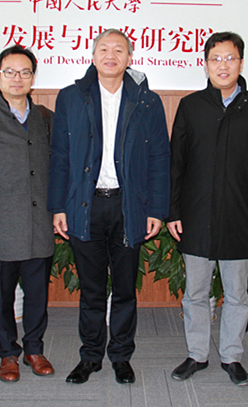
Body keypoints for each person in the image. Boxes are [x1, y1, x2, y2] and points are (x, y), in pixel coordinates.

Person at [48, 29, 170, 385]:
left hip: (128, 207)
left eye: (119, 50)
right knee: (91, 289)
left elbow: (159, 158)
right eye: (104, 49)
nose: (111, 55)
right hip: (84, 206)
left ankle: (120, 356)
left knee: (125, 289)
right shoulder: (71, 97)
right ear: (93, 55)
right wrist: (58, 207)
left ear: (130, 58)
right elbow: (59, 156)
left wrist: (156, 210)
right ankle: (90, 356)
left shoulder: (147, 101)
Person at [168, 32, 248, 386]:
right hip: (196, 218)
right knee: (195, 294)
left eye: (230, 58)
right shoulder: (191, 106)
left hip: (241, 219)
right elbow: (176, 165)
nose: (223, 65)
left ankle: (232, 356)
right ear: (205, 64)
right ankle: (197, 354)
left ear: (241, 63)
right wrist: (173, 212)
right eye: (215, 59)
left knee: (237, 295)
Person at [0, 45, 55, 383]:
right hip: (0, 227)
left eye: (25, 72)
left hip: (39, 224)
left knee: (37, 295)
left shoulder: (46, 119)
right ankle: (8, 353)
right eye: (10, 72)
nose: (17, 78)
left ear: (33, 78)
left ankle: (34, 349)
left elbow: (57, 172)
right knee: (3, 298)